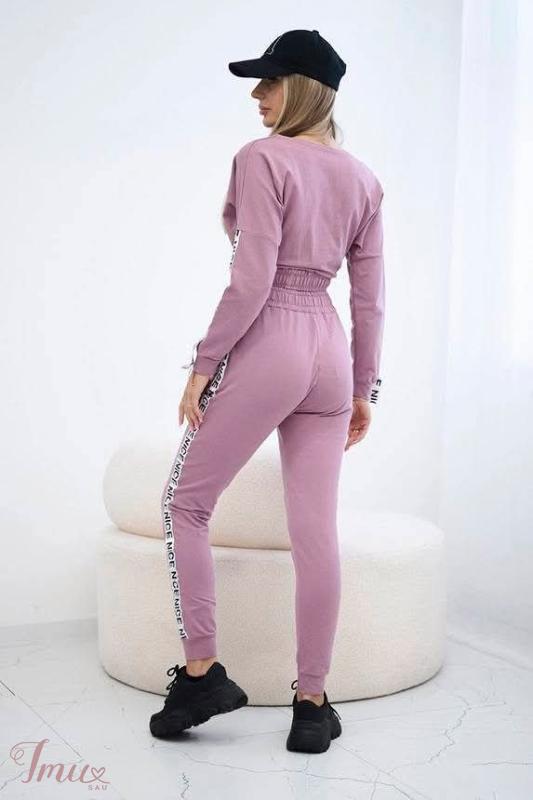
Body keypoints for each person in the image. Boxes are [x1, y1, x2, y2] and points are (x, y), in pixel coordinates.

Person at [150, 29, 385, 754]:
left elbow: (252, 278)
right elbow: (370, 298)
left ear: (305, 89)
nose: (258, 95)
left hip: (271, 339)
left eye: (271, 81)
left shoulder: (262, 158)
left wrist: (203, 362)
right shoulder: (363, 180)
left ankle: (201, 673)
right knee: (316, 535)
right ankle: (311, 705)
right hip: (329, 352)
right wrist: (363, 386)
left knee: (185, 503)